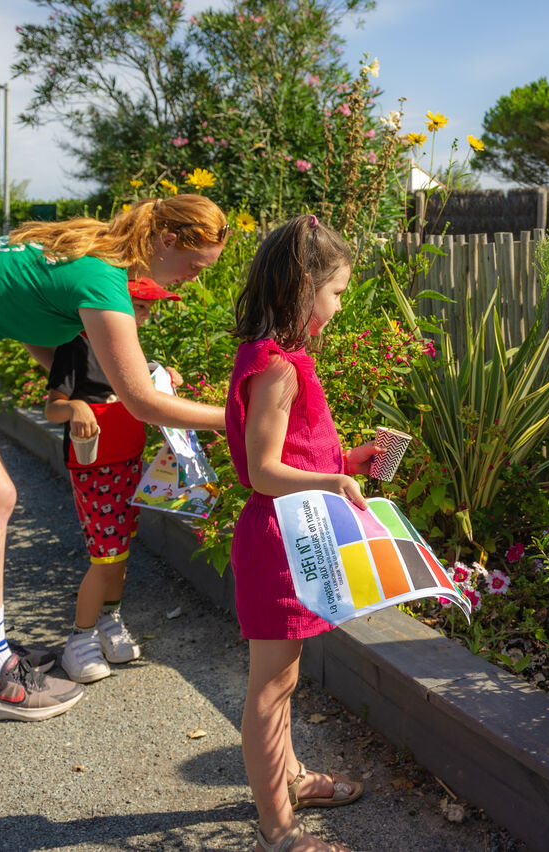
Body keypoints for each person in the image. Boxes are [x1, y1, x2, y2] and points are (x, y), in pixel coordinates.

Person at [0, 195, 228, 723]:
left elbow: (36, 328)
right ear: (167, 241)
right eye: (194, 266)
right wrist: (239, 418)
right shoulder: (103, 276)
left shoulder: (88, 246)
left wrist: (91, 387)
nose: (193, 279)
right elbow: (142, 401)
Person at [227, 214, 378, 852]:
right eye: (338, 292)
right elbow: (263, 472)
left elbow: (290, 456)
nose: (341, 305)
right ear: (303, 288)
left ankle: (289, 777)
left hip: (292, 530)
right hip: (279, 537)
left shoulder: (279, 358)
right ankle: (278, 831)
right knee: (272, 686)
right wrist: (330, 485)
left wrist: (346, 466)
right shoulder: (279, 368)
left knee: (283, 681)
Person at [44, 277, 185, 683]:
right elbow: (53, 407)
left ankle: (109, 619)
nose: (143, 316)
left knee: (119, 548)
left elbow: (142, 386)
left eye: (146, 309)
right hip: (94, 464)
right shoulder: (78, 342)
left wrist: (163, 375)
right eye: (137, 306)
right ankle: (80, 638)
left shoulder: (130, 347)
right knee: (105, 554)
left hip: (128, 458)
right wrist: (75, 407)